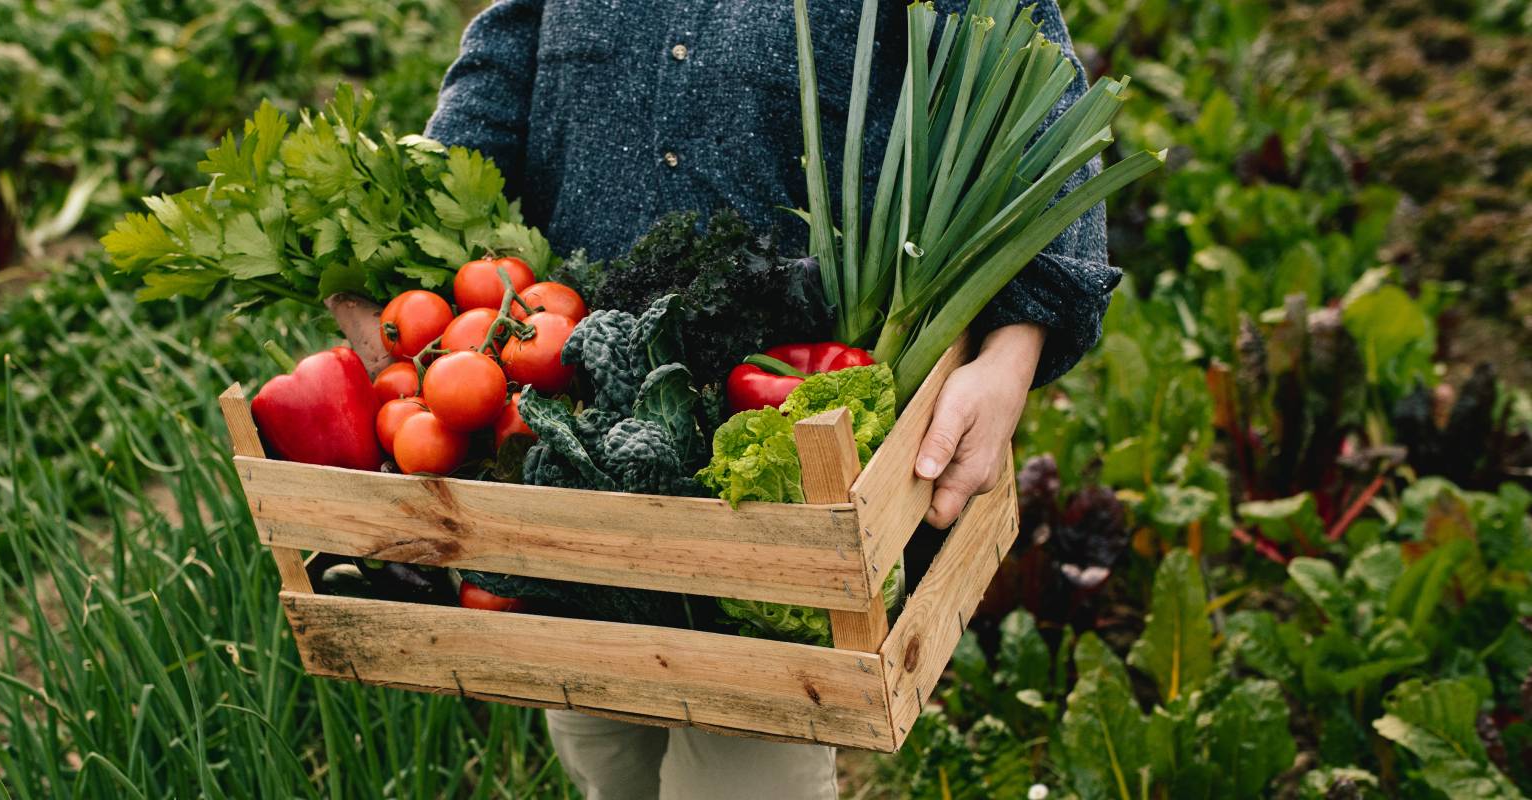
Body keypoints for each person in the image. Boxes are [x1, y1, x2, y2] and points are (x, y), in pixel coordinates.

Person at [424, 1, 1112, 798]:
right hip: (576, 414)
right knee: (602, 746)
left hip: (786, 451)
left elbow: (1041, 106)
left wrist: (1013, 353)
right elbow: (502, 62)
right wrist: (417, 230)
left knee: (744, 775)